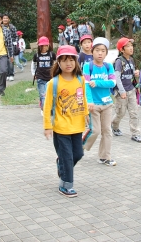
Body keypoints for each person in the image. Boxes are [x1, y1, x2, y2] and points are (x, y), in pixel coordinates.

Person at [43, 45, 88, 198]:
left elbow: (82, 99)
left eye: (71, 60)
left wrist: (86, 114)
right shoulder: (53, 83)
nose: (68, 63)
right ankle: (66, 185)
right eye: (65, 60)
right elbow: (47, 106)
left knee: (78, 154)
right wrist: (47, 127)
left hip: (77, 125)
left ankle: (61, 164)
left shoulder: (80, 80)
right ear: (58, 63)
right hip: (61, 127)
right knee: (68, 157)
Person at [82, 37, 117, 166]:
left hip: (107, 104)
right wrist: (89, 101)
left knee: (107, 131)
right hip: (94, 105)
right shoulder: (88, 66)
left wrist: (96, 83)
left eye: (103, 50)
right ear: (92, 51)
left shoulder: (108, 67)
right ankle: (80, 146)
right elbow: (86, 85)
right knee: (95, 130)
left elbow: (112, 83)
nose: (100, 53)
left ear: (106, 53)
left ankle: (105, 157)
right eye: (97, 50)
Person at [111, 38, 141, 143]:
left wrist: (136, 73)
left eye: (131, 45)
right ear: (122, 49)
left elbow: (132, 73)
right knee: (121, 112)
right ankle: (114, 126)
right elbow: (117, 77)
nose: (131, 48)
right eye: (128, 46)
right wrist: (121, 91)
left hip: (131, 90)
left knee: (134, 112)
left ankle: (135, 133)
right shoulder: (119, 61)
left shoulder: (132, 60)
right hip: (122, 92)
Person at [32, 36, 56, 113]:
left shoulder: (52, 54)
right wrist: (33, 74)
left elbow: (55, 64)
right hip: (40, 77)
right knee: (43, 95)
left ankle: (51, 108)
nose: (44, 47)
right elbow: (33, 65)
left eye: (46, 45)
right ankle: (45, 109)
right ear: (39, 46)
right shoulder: (36, 55)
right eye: (42, 46)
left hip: (50, 78)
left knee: (51, 94)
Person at [2, 13, 18, 81]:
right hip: (2, 47)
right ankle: (7, 74)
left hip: (11, 46)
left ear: (9, 19)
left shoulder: (12, 27)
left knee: (10, 60)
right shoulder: (0, 27)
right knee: (4, 61)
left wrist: (15, 43)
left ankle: (11, 74)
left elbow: (16, 36)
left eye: (6, 18)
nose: (5, 19)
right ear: (2, 19)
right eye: (4, 18)